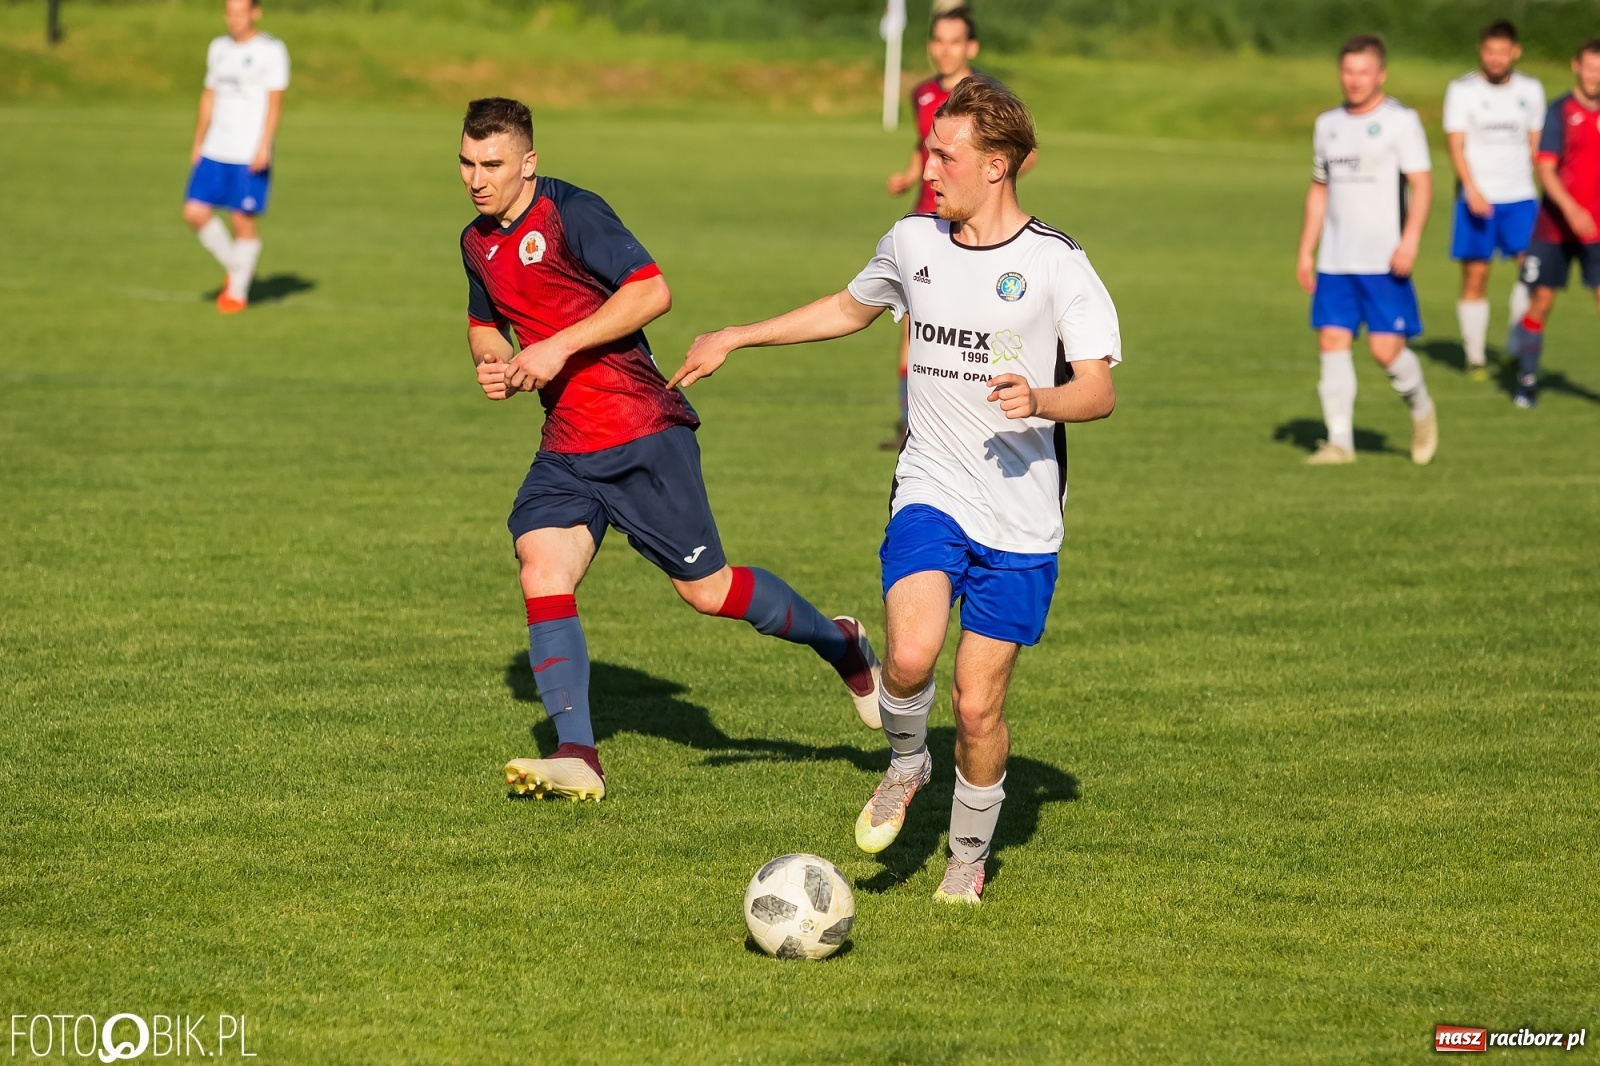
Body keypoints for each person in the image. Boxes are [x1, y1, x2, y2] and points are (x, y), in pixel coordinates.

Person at [670, 76, 1118, 904]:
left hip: (1022, 519)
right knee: (909, 657)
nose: (930, 166)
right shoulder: (913, 240)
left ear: (997, 165)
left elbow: (1099, 390)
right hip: (931, 486)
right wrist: (739, 333)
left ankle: (966, 859)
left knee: (978, 709)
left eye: (945, 154)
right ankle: (907, 761)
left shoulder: (1059, 266)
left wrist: (1042, 398)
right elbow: (850, 308)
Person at [455, 98, 882, 802]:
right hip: (567, 444)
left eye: (492, 165)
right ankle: (577, 754)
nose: (478, 178)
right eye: (468, 164)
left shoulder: (571, 213)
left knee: (707, 592)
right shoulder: (477, 241)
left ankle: (840, 642)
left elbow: (652, 292)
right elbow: (482, 320)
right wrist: (492, 358)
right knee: (542, 564)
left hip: (640, 430)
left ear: (528, 163)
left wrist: (558, 345)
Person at [1295, 34, 1438, 466]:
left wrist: (1410, 239)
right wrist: (1306, 250)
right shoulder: (1328, 124)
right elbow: (1320, 190)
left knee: (1384, 351)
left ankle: (1421, 407)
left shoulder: (1401, 121)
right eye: (1347, 71)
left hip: (1383, 260)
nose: (1354, 80)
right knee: (1333, 341)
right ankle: (1340, 443)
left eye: (1363, 72)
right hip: (1336, 260)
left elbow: (1423, 184)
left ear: (1381, 74)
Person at [881, 6, 982, 451]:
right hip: (926, 223)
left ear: (971, 47)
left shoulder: (983, 94)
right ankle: (909, 423)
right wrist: (908, 175)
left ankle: (970, 415)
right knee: (913, 322)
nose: (945, 50)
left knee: (969, 324)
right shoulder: (921, 93)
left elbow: (1023, 153)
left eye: (954, 41)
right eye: (938, 41)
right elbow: (926, 147)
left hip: (970, 224)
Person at [1443, 21, 1546, 380]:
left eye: (1502, 52)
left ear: (1515, 52)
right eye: (1489, 51)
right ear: (1480, 50)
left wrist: (1548, 186)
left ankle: (1516, 347)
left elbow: (1537, 146)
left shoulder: (1531, 90)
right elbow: (1455, 144)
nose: (1496, 58)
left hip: (1520, 197)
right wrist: (1470, 187)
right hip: (1477, 196)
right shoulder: (1461, 90)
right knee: (1476, 275)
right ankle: (1475, 357)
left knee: (1531, 273)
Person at [1507, 40, 1600, 409]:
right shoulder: (1560, 111)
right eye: (1591, 67)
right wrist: (1572, 209)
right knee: (1542, 301)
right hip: (1556, 227)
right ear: (1576, 66)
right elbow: (1545, 168)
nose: (1596, 75)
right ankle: (1527, 380)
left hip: (1596, 228)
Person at [182, 0, 288, 315]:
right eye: (230, 13)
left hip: (247, 149)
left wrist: (264, 144)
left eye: (241, 13)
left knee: (241, 218)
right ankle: (239, 267)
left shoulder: (271, 50)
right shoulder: (218, 48)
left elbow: (275, 100)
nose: (235, 19)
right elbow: (209, 94)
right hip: (216, 147)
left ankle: (237, 293)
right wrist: (198, 140)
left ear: (256, 13)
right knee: (194, 213)